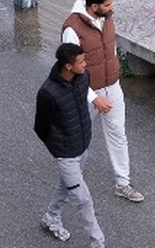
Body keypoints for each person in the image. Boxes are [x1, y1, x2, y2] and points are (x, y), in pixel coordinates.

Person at [62, 0, 144, 203]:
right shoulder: (72, 29)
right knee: (79, 139)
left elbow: (110, 48)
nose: (112, 8)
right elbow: (70, 70)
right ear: (94, 6)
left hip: (112, 86)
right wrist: (94, 98)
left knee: (118, 134)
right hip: (86, 93)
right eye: (107, 5)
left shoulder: (107, 18)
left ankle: (123, 183)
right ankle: (71, 183)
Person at [35, 43, 106, 247]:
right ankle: (98, 242)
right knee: (83, 199)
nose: (85, 64)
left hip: (82, 147)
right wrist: (59, 150)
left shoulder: (83, 78)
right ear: (68, 66)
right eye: (81, 62)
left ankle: (51, 217)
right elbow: (40, 127)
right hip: (66, 154)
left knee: (65, 186)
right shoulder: (47, 93)